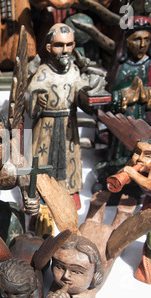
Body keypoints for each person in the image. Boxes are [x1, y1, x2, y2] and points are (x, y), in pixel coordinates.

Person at [27, 23, 101, 207]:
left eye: (69, 45)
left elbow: (80, 90)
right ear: (49, 47)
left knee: (70, 159)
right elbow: (32, 91)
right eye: (59, 45)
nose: (65, 50)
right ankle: (41, 193)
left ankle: (70, 191)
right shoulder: (43, 71)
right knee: (43, 160)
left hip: (68, 124)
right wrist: (38, 99)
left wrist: (89, 94)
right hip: (47, 126)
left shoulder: (74, 71)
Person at [101, 16, 151, 174]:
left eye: (147, 39)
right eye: (136, 39)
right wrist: (124, 96)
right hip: (123, 119)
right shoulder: (121, 66)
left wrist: (149, 95)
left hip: (144, 119)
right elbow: (108, 98)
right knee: (120, 150)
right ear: (126, 40)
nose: (142, 45)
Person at [46, 233, 104, 298]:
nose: (65, 276)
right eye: (59, 267)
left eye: (76, 272)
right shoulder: (55, 286)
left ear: (94, 277)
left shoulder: (87, 296)